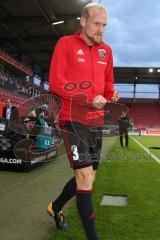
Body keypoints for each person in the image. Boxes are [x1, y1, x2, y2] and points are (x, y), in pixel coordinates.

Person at [48, 3, 118, 240]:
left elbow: (108, 83)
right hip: (72, 118)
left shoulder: (106, 51)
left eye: (104, 25)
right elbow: (56, 83)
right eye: (97, 24)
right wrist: (89, 98)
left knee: (89, 176)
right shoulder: (65, 44)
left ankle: (55, 206)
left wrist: (111, 95)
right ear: (83, 21)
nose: (101, 29)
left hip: (95, 121)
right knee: (85, 177)